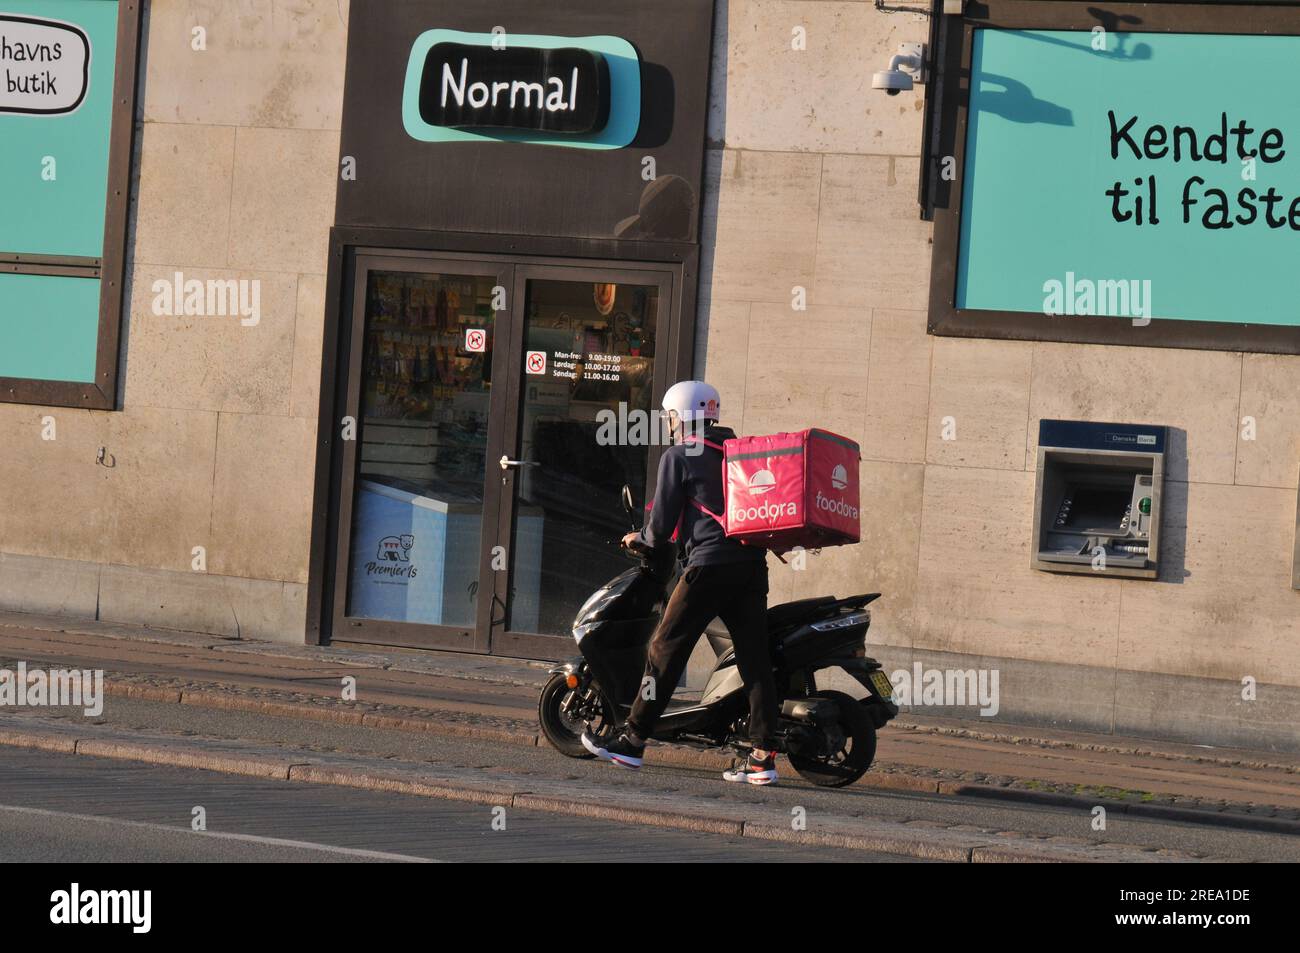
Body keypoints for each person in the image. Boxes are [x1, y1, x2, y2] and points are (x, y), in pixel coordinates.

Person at [582, 380, 781, 785]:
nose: (669, 424)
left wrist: (641, 538)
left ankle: (633, 741)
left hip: (707, 567)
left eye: (671, 416)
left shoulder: (680, 456)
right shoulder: (736, 450)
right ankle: (762, 757)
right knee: (754, 658)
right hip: (750, 566)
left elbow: (660, 527)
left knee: (664, 649)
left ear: (684, 415)